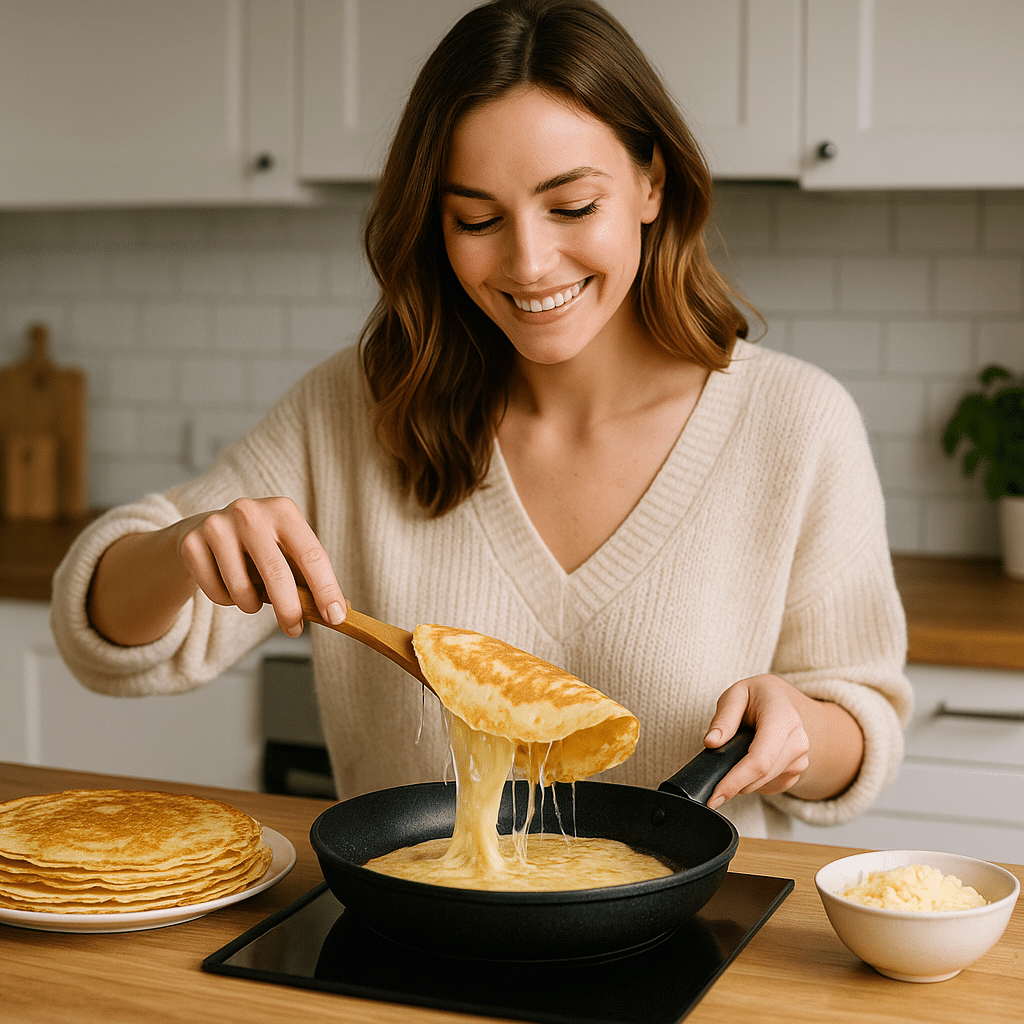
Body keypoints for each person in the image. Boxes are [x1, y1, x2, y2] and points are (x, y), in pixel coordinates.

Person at [51, 0, 911, 838]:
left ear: (652, 183)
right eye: (477, 218)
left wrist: (801, 726)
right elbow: (101, 636)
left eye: (573, 207)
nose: (530, 262)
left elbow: (860, 724)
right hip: (415, 944)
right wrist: (181, 547)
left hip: (692, 951)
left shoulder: (796, 424)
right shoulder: (355, 412)